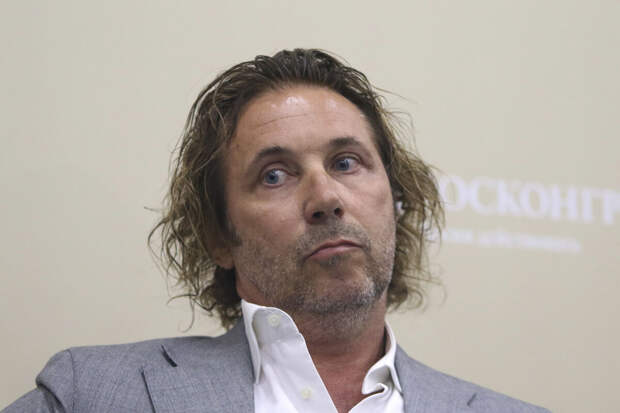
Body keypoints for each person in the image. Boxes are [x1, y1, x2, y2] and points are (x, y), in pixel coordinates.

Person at [3, 49, 549, 413]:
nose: (326, 198)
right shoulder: (88, 394)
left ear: (396, 200)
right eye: (274, 175)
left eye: (346, 162)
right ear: (220, 236)